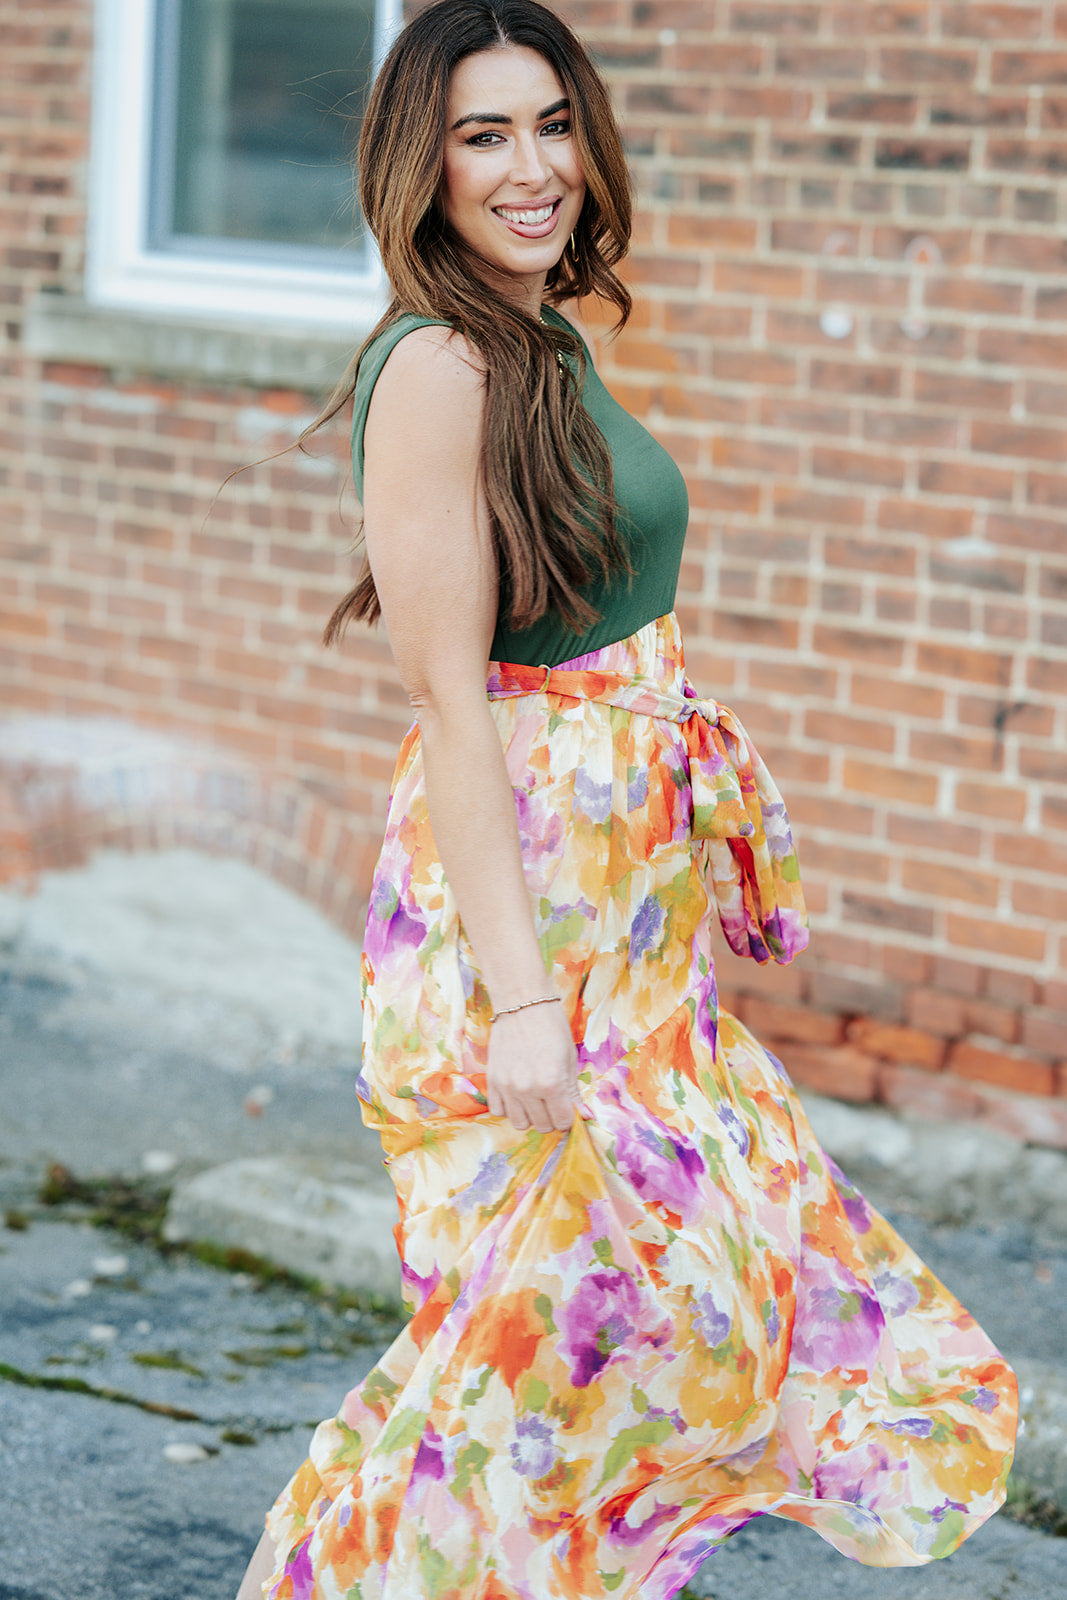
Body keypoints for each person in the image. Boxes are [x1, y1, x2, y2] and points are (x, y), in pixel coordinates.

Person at [236, 3, 1017, 1596]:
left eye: (551, 125)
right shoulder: (438, 365)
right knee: (527, 1364)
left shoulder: (542, 342)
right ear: (421, 166)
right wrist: (526, 1006)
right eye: (483, 135)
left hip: (626, 915)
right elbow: (455, 705)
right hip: (530, 925)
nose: (532, 168)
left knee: (672, 1316)